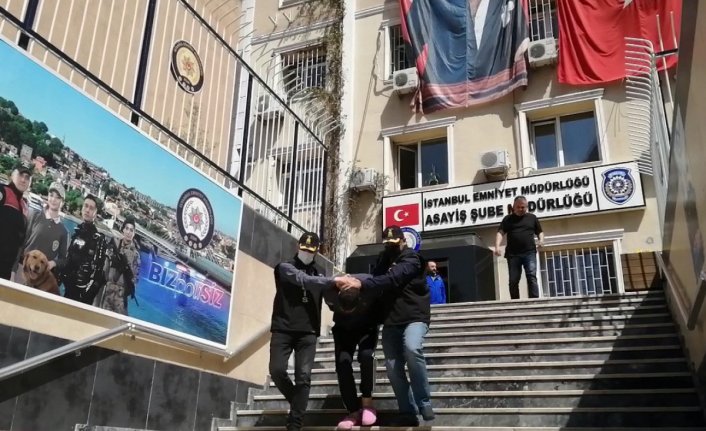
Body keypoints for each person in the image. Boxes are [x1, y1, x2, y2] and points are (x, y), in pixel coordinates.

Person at [341, 225, 433, 426]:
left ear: (403, 241)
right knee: (392, 367)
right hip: (392, 319)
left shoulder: (412, 259)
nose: (390, 247)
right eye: (387, 244)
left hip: (415, 316)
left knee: (412, 347)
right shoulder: (383, 259)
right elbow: (376, 279)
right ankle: (407, 411)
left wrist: (362, 284)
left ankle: (424, 403)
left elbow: (392, 279)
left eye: (394, 243)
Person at [269, 232, 350, 431]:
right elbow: (302, 279)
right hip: (283, 328)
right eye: (303, 249)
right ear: (298, 247)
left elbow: (331, 300)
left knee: (303, 377)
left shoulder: (320, 273)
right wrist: (334, 280)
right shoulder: (284, 267)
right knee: (277, 371)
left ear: (316, 251)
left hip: (308, 332)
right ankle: (298, 403)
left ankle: (295, 423)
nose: (306, 253)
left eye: (310, 251)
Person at [323, 274, 382, 430]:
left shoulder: (370, 287)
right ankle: (353, 411)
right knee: (343, 363)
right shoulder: (330, 291)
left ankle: (367, 402)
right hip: (343, 329)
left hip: (367, 327)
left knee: (367, 356)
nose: (348, 312)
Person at [14, 182, 69, 285]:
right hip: (22, 271)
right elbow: (21, 244)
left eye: (57, 197)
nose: (53, 199)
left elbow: (63, 259)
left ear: (62, 202)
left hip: (40, 279)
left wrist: (53, 263)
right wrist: (13, 270)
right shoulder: (34, 215)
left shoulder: (64, 231)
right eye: (51, 195)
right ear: (47, 197)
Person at [59, 194, 108, 304]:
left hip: (83, 295)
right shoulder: (76, 233)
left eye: (91, 208)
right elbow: (69, 259)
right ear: (82, 208)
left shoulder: (98, 239)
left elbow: (98, 274)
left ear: (95, 213)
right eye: (85, 206)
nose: (87, 210)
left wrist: (86, 295)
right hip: (68, 289)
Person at [494, 195, 544, 299]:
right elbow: (500, 232)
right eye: (519, 207)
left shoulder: (532, 218)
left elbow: (540, 232)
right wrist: (497, 246)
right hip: (513, 255)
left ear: (527, 207)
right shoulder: (508, 219)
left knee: (531, 276)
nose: (521, 209)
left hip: (529, 252)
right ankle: (515, 302)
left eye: (523, 207)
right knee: (513, 280)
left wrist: (541, 240)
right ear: (514, 207)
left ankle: (534, 300)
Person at [99, 218, 140, 314]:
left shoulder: (135, 254)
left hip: (121, 295)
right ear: (123, 230)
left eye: (131, 230)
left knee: (120, 324)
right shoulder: (114, 245)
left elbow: (135, 277)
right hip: (108, 291)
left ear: (134, 233)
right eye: (127, 228)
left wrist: (127, 290)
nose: (129, 232)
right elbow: (106, 266)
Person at [0, 161, 32, 280]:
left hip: (6, 269)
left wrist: (13, 271)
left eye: (27, 177)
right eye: (20, 175)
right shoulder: (2, 191)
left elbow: (20, 242)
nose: (23, 180)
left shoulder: (24, 206)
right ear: (12, 175)